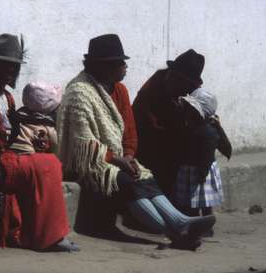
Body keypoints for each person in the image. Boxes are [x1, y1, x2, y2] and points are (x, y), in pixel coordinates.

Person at [57, 34, 215, 250]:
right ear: (104, 66)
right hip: (90, 163)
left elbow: (129, 129)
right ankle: (175, 229)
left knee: (144, 177)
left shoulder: (120, 90)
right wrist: (116, 159)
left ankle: (180, 225)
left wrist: (129, 155)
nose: (125, 67)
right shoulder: (79, 92)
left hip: (119, 158)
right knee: (126, 181)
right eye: (120, 63)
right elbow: (82, 144)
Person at [0, 34, 78, 252]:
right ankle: (51, 237)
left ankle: (39, 233)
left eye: (15, 66)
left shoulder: (8, 98)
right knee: (46, 165)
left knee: (48, 161)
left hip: (0, 156)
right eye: (6, 65)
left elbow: (9, 136)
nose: (12, 71)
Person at [132, 49, 205, 196]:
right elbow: (142, 116)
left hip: (174, 144)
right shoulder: (154, 86)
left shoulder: (191, 90)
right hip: (149, 141)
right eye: (178, 79)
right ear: (172, 73)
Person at [173, 88, 232, 234]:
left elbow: (208, 154)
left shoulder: (208, 131)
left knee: (202, 203)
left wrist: (202, 173)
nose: (187, 111)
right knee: (192, 202)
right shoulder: (192, 126)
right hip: (190, 168)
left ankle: (204, 226)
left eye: (191, 109)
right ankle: (196, 224)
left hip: (200, 171)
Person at [8, 82, 62, 155]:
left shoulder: (19, 114)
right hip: (29, 157)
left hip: (11, 153)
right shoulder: (48, 125)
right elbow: (57, 147)